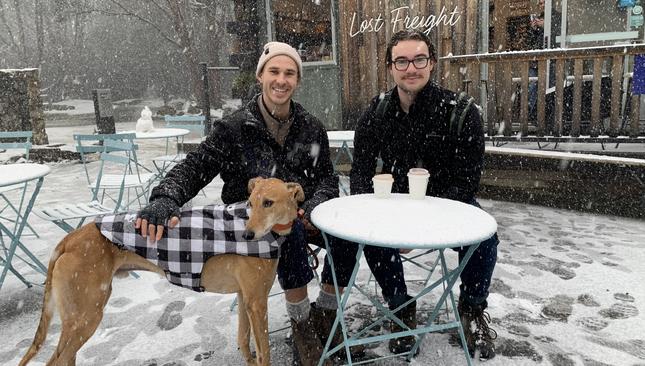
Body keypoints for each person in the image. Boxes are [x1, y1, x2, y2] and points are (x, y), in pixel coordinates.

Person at [135, 41, 339, 366]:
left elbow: (328, 177)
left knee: (344, 237)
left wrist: (315, 204)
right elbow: (196, 165)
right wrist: (166, 197)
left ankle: (327, 316)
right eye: (274, 71)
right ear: (261, 76)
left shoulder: (311, 126)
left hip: (301, 213)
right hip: (249, 226)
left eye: (289, 73)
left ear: (297, 80)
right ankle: (301, 324)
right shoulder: (234, 127)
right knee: (287, 236)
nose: (281, 80)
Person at [347, 30, 500, 360]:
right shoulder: (375, 113)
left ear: (431, 64)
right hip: (390, 208)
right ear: (390, 67)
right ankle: (400, 307)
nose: (410, 68)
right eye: (401, 60)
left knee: (485, 237)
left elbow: (466, 183)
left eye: (419, 59)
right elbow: (359, 175)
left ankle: (472, 310)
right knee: (369, 233)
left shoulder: (460, 112)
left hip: (447, 208)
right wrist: (379, 217)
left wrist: (424, 227)